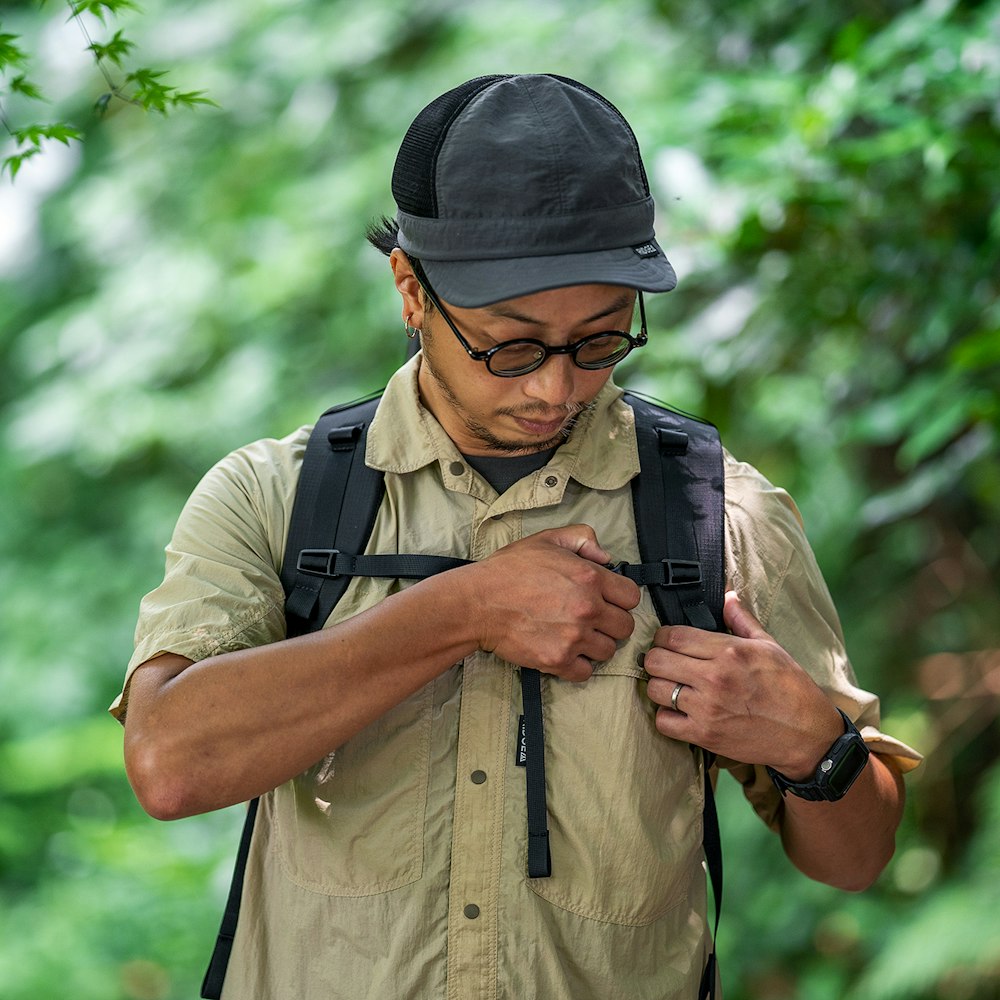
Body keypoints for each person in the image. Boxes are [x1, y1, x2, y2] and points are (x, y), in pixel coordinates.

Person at [111, 74, 921, 999]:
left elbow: (859, 859)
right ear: (412, 292)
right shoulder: (275, 497)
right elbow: (170, 765)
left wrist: (815, 747)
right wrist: (458, 612)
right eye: (513, 346)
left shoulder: (719, 517)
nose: (555, 390)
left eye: (599, 342)